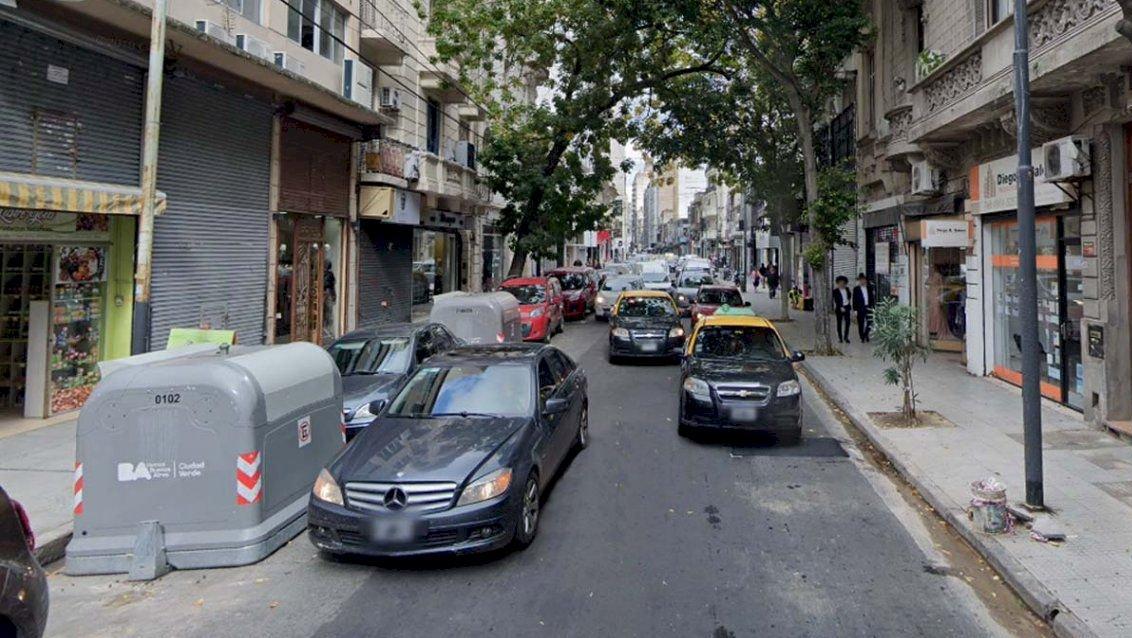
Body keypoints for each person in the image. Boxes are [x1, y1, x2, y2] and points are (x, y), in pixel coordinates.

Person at [852, 273, 875, 343]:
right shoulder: (856, 289)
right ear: (859, 281)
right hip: (860, 308)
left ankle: (866, 334)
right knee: (861, 323)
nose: (862, 281)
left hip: (868, 307)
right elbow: (854, 300)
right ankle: (862, 337)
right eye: (860, 280)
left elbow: (872, 298)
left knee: (870, 322)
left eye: (863, 280)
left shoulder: (869, 288)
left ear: (865, 280)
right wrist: (855, 310)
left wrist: (873, 307)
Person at [832, 275, 852, 344]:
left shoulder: (847, 289)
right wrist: (841, 307)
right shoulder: (835, 291)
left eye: (843, 283)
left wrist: (847, 304)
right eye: (840, 283)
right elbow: (836, 300)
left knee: (848, 323)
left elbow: (849, 296)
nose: (842, 284)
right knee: (839, 323)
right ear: (837, 283)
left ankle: (846, 337)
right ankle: (840, 337)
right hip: (839, 308)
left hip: (847, 307)